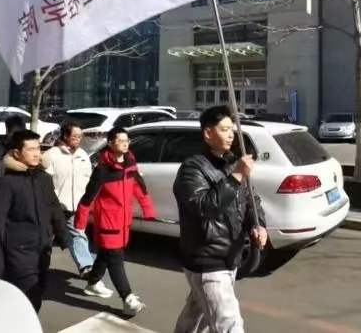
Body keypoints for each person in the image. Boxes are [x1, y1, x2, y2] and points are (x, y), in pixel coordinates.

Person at [172, 106, 267, 333]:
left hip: (230, 256)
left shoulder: (231, 164)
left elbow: (251, 200)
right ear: (208, 133)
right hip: (207, 260)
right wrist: (236, 176)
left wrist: (258, 225)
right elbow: (204, 207)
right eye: (224, 130)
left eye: (232, 130)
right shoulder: (192, 169)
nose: (231, 135)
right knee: (228, 323)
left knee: (196, 315)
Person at [73, 127, 155, 316]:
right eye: (121, 141)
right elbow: (88, 197)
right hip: (107, 222)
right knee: (116, 260)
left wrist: (148, 209)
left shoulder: (130, 164)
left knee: (105, 255)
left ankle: (92, 283)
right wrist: (80, 223)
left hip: (123, 222)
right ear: (110, 144)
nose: (125, 144)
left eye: (127, 140)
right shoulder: (102, 170)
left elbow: (140, 188)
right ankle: (128, 299)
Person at [0, 130, 70, 311]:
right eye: (30, 149)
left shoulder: (44, 178)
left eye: (38, 148)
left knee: (37, 296)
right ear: (17, 153)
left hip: (43, 251)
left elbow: (54, 208)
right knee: (28, 303)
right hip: (19, 254)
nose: (36, 153)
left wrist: (63, 234)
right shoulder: (7, 183)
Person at [42, 121, 99, 281]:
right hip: (54, 206)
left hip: (76, 206)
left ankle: (86, 268)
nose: (78, 139)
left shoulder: (83, 155)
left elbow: (88, 179)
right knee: (45, 239)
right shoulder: (51, 155)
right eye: (75, 136)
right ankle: (38, 268)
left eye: (80, 136)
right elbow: (44, 182)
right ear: (65, 135)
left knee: (79, 235)